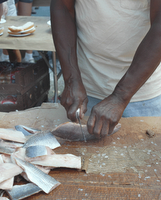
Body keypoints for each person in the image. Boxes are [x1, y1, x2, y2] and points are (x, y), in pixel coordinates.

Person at [50, 0, 161, 138]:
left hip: (142, 95)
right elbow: (62, 6)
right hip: (85, 91)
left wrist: (120, 96)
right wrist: (71, 79)